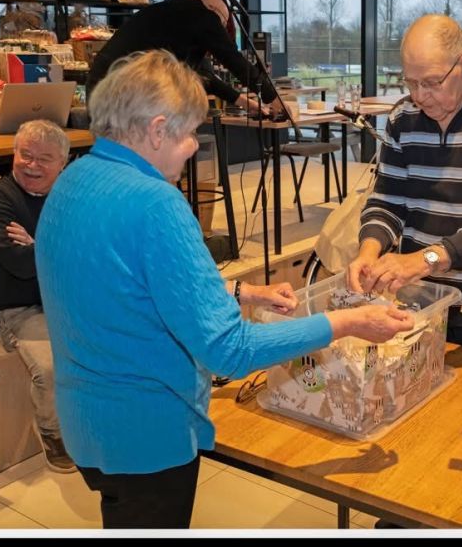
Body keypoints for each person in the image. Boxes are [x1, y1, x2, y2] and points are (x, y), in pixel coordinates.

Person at [34, 49, 415, 529]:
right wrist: (346, 322)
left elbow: (127, 284)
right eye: (190, 133)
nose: (193, 147)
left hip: (85, 425)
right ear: (157, 130)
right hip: (146, 435)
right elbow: (230, 351)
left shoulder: (75, 178)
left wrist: (242, 293)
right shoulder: (155, 203)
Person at [346, 14, 462, 529]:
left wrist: (422, 259)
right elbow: (387, 200)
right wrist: (369, 250)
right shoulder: (403, 118)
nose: (419, 95)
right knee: (410, 432)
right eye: (409, 82)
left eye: (431, 82)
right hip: (419, 308)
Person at [0, 119, 76, 474]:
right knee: (51, 368)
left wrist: (39, 245)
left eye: (44, 159)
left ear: (62, 164)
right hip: (22, 308)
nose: (32, 165)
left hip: (70, 299)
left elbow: (96, 251)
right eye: (25, 155)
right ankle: (53, 433)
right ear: (13, 154)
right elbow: (19, 264)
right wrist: (59, 248)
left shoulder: (68, 197)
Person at [85, 0, 278, 116]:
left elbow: (204, 77)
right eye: (220, 23)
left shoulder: (174, 19)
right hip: (120, 90)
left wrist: (244, 101)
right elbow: (233, 59)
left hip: (102, 88)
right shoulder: (201, 14)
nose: (218, 30)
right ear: (212, 10)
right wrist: (273, 98)